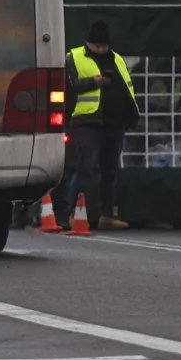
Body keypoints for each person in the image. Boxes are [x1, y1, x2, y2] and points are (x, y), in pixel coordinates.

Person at [66, 20, 135, 230]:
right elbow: (67, 85)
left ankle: (107, 214)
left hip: (114, 124)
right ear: (88, 43)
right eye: (97, 46)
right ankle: (75, 215)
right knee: (84, 169)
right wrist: (93, 83)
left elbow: (126, 87)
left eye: (104, 47)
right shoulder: (74, 57)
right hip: (88, 123)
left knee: (110, 172)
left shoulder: (117, 60)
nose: (101, 50)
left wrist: (131, 114)